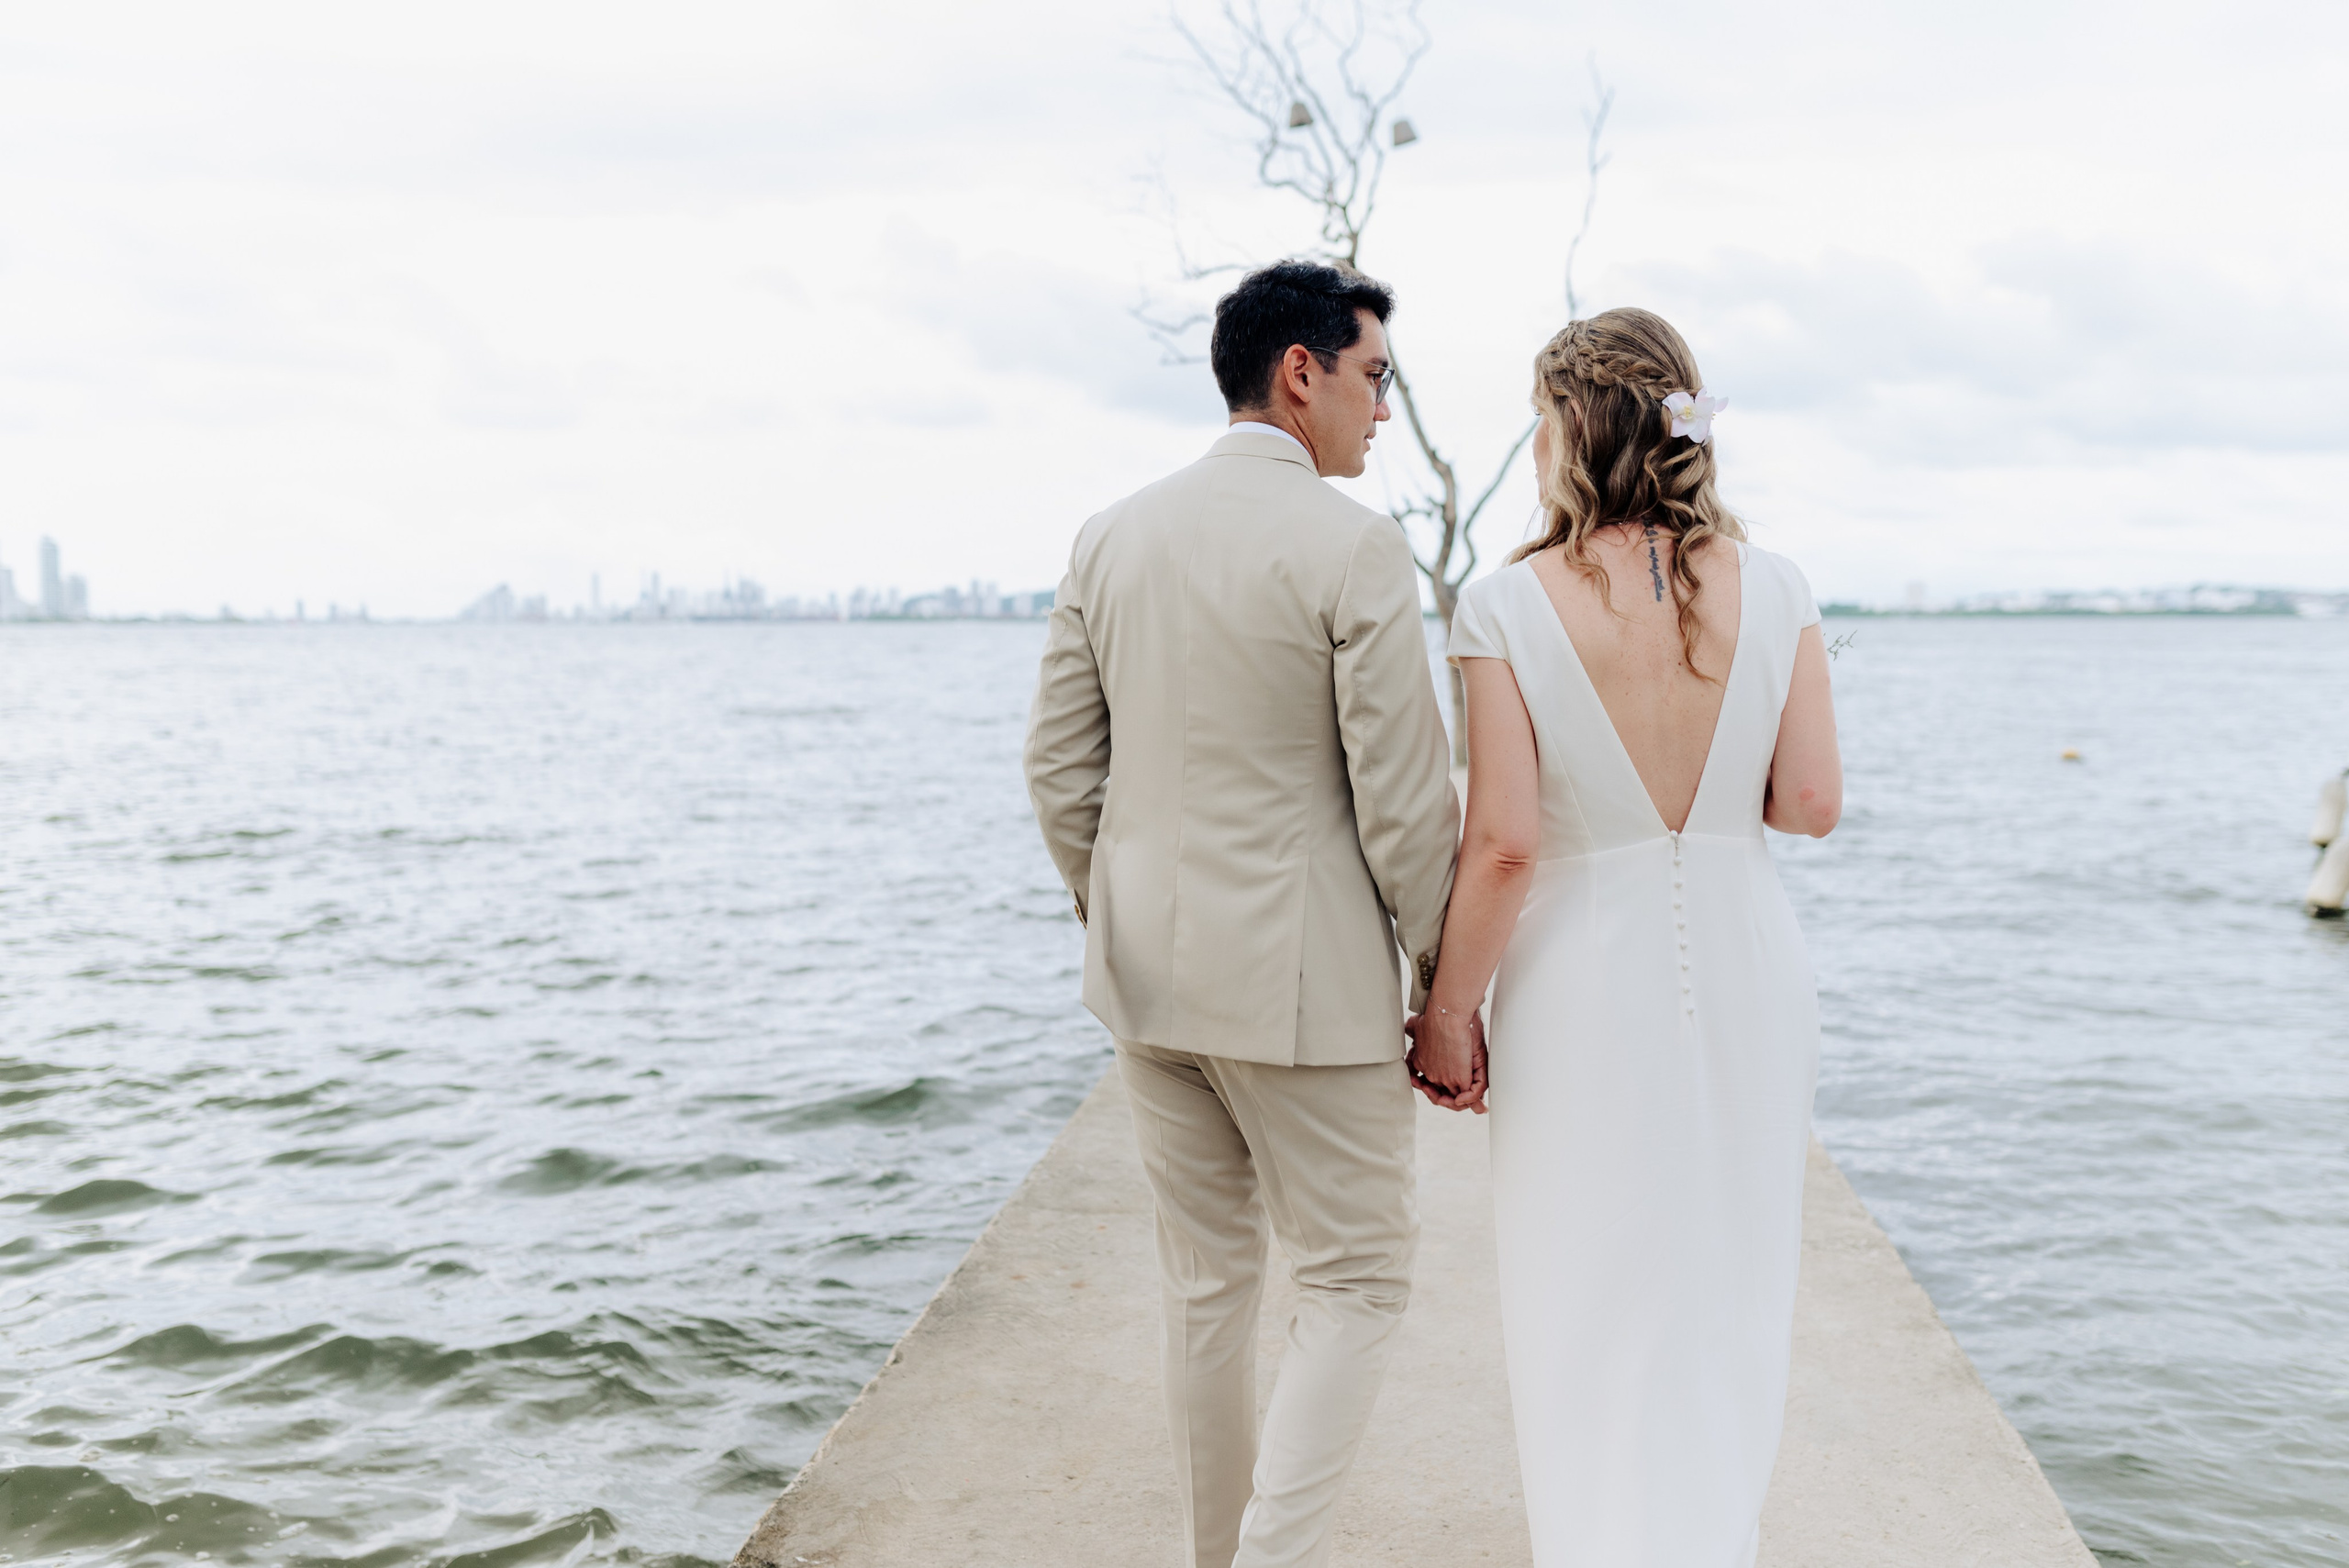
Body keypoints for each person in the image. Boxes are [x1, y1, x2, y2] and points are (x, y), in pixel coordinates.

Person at [1022, 258, 1461, 1568]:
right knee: (1358, 1278)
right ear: (1300, 371)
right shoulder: (1352, 545)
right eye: (1374, 376)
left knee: (1208, 1284)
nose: (1383, 408)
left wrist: (1117, 910)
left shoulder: (1111, 534)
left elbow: (1059, 770)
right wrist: (1445, 986)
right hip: (1302, 992)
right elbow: (1403, 800)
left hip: (1148, 986)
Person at [1407, 307, 1842, 1567]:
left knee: (1585, 1281)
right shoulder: (1779, 586)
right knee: (1734, 1275)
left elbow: (1503, 842)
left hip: (1579, 982)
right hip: (1749, 958)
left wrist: (1448, 1014)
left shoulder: (1507, 603)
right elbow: (1812, 802)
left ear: (1567, 429)